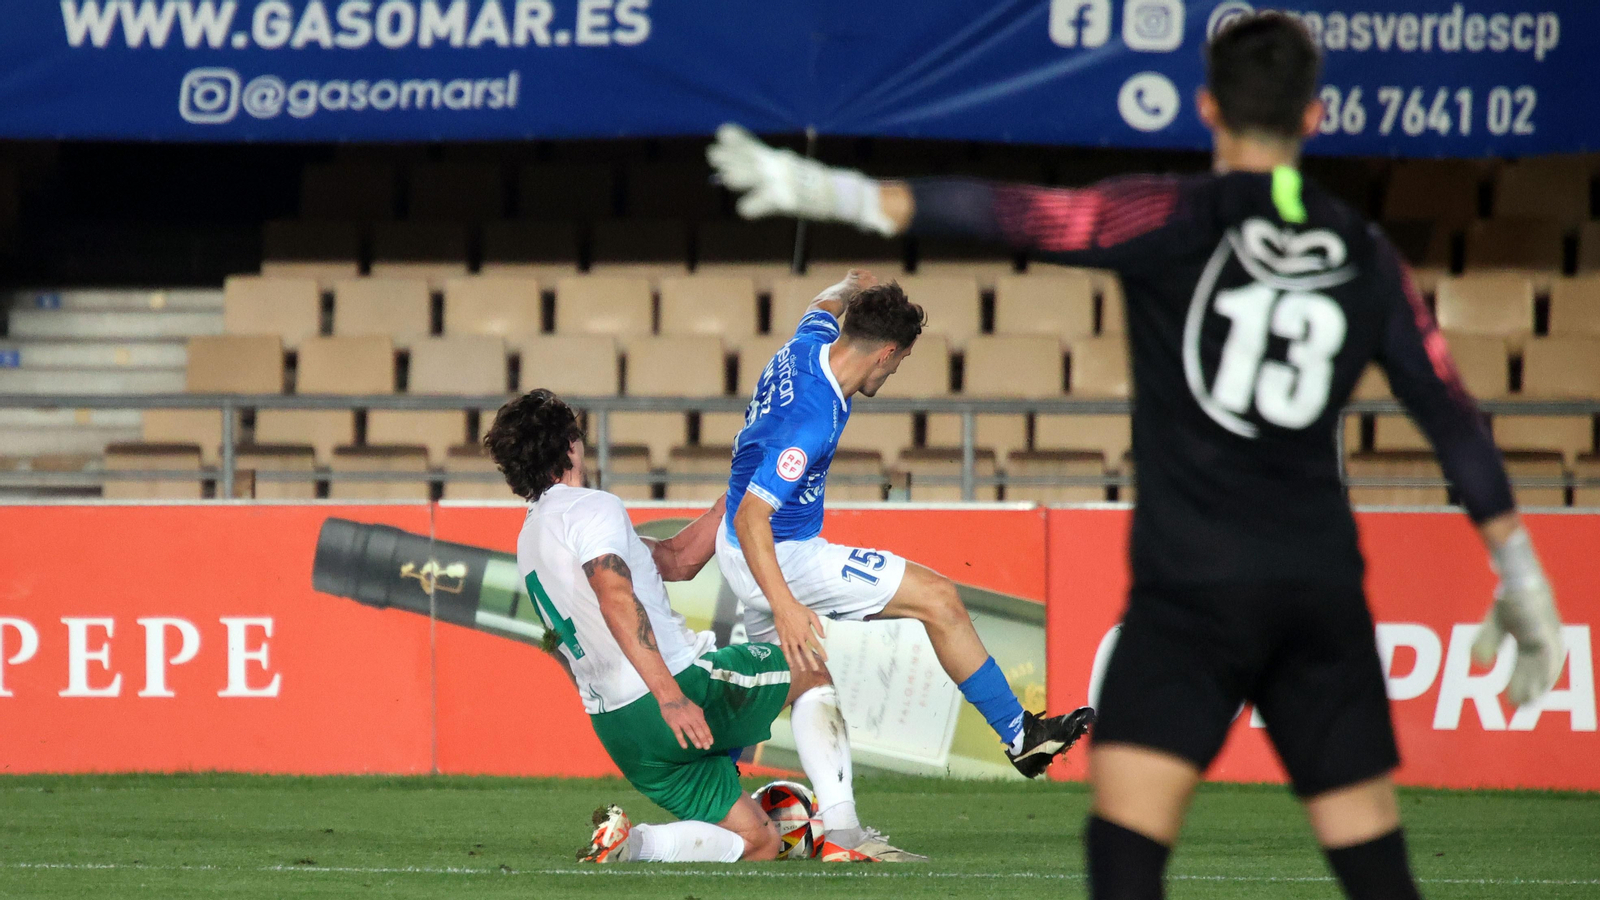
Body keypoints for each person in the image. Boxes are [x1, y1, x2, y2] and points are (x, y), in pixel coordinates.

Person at [706, 12, 1565, 899]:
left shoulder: (1164, 214)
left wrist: (841, 194)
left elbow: (1015, 213)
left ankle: (835, 788)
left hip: (1190, 589)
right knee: (1372, 858)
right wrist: (1523, 571)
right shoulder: (1364, 251)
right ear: (1316, 117)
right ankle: (868, 795)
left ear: (1205, 108)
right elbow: (1455, 418)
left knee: (1126, 857)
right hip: (1316, 585)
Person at [716, 268, 1097, 818]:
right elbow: (756, 516)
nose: (894, 371)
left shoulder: (810, 342)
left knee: (769, 680)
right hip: (774, 551)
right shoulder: (813, 417)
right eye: (900, 361)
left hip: (743, 543)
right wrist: (786, 606)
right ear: (886, 352)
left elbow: (822, 303)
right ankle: (1020, 735)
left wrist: (850, 284)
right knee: (938, 598)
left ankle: (716, 788)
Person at [484, 388, 836, 864]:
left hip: (620, 728)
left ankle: (631, 845)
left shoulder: (531, 540)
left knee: (761, 843)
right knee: (810, 669)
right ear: (570, 444)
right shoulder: (590, 507)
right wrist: (670, 697)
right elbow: (615, 595)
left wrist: (735, 499)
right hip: (674, 688)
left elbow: (676, 559)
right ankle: (845, 826)